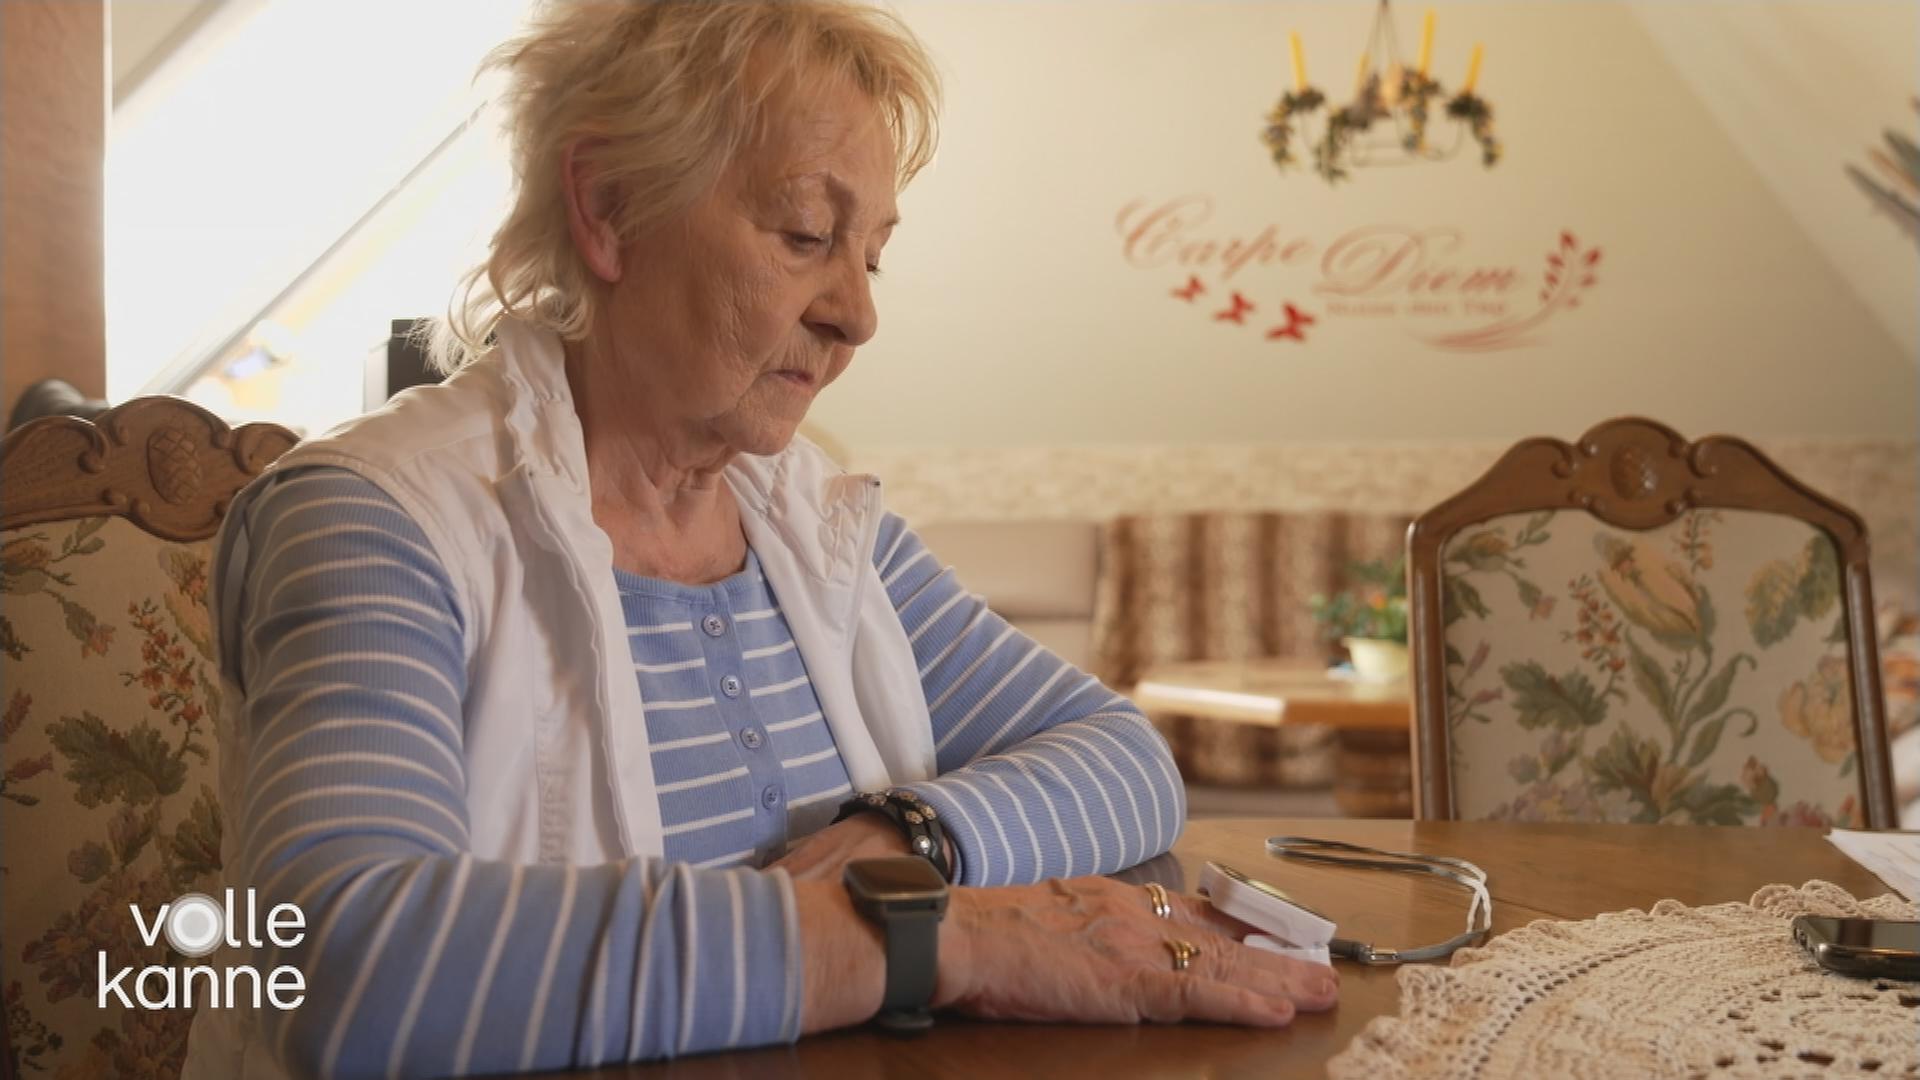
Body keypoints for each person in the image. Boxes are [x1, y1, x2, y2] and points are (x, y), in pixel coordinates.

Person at [184, 2, 1336, 1076]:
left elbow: (1122, 755)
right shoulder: (374, 519)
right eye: (804, 234)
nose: (859, 314)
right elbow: (329, 957)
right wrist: (934, 938)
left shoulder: (812, 521)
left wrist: (915, 838)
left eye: (870, 252)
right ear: (610, 207)